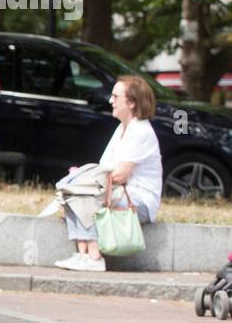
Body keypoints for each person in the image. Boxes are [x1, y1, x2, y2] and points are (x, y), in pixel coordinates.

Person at [54, 76, 162, 272]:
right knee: (70, 193)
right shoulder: (122, 128)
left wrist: (88, 182)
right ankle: (83, 254)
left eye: (115, 96)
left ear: (131, 102)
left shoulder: (141, 131)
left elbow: (120, 175)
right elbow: (105, 167)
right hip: (118, 191)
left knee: (86, 196)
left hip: (139, 200)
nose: (111, 101)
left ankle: (94, 256)